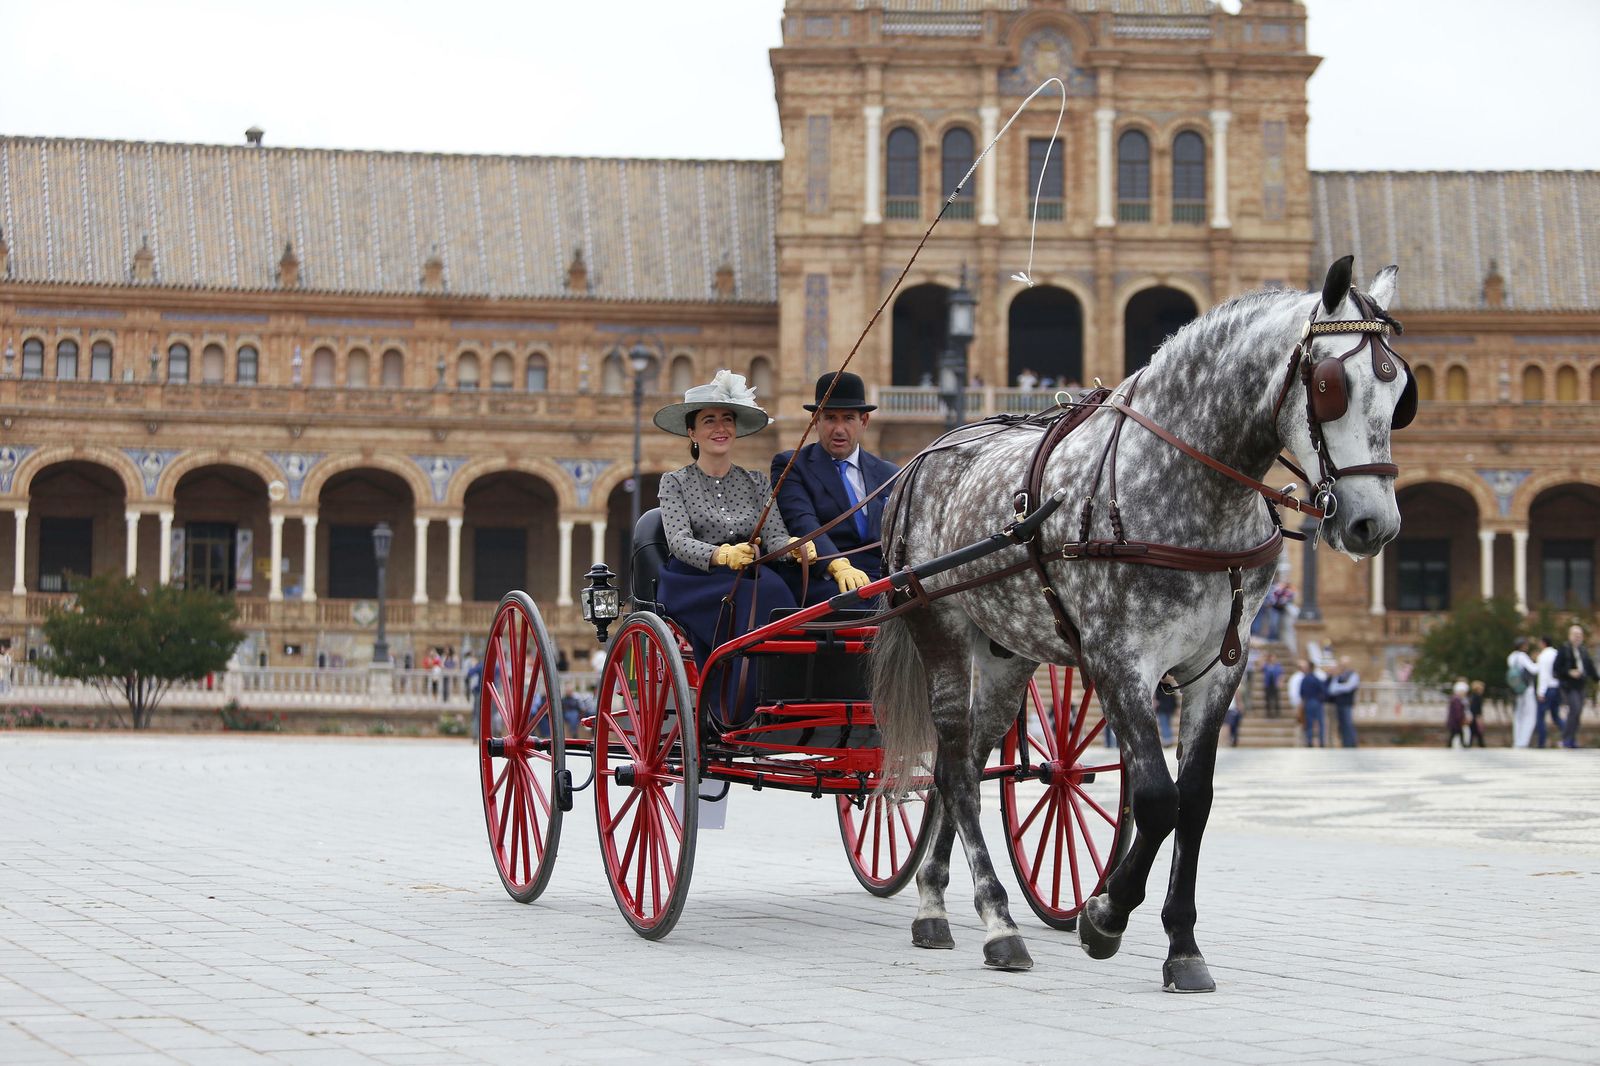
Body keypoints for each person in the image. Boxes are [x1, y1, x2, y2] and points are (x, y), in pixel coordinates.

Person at [654, 370, 813, 720]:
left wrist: (794, 546)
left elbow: (773, 536)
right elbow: (678, 541)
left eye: (727, 419)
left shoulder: (755, 481)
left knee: (778, 595)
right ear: (692, 432)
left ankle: (785, 697)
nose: (720, 427)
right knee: (755, 598)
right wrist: (720, 554)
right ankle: (741, 706)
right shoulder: (674, 482)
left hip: (748, 574)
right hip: (693, 580)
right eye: (709, 420)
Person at [771, 371, 898, 606]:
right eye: (830, 418)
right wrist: (838, 566)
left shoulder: (889, 473)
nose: (839, 429)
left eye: (848, 418)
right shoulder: (792, 466)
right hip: (825, 576)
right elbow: (803, 521)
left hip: (882, 576)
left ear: (864, 421)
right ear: (816, 421)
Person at [1553, 623, 1598, 748]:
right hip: (1569, 685)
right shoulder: (1564, 649)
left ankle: (1571, 739)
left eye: (1580, 635)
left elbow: (1590, 667)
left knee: (1577, 712)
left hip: (1580, 685)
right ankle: (1565, 738)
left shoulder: (1583, 650)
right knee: (1575, 709)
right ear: (1570, 635)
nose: (1578, 637)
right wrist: (1569, 672)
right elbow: (1556, 669)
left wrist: (1597, 679)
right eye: (1575, 634)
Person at [1508, 636, 1540, 748]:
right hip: (1527, 689)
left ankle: (1517, 740)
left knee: (1518, 715)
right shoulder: (1522, 656)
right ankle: (1523, 741)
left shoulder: (1511, 657)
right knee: (1530, 715)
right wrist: (1538, 660)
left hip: (1517, 689)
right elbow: (1534, 670)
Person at [1327, 656, 1360, 748]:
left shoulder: (1353, 675)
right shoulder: (1339, 675)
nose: (1343, 666)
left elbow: (1349, 687)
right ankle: (1345, 743)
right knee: (1342, 724)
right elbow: (1331, 689)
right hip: (1339, 703)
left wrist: (1338, 687)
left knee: (1348, 723)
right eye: (1341, 664)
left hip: (1347, 703)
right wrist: (1340, 687)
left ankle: (1351, 743)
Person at [1299, 658, 1328, 748]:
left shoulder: (1305, 679)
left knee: (1310, 723)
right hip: (1317, 702)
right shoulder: (1317, 679)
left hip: (1310, 702)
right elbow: (1323, 691)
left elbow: (1301, 692)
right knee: (1320, 723)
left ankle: (1310, 741)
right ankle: (1321, 742)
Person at [1154, 677, 1178, 747]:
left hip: (1163, 709)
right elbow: (1173, 699)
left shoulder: (1158, 688)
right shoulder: (1168, 687)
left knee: (1165, 725)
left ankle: (1168, 742)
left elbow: (1172, 699)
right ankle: (1168, 741)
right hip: (1168, 708)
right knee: (1166, 725)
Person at [1446, 680, 1470, 747]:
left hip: (1455, 721)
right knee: (1455, 733)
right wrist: (1461, 719)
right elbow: (1458, 711)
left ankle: (1462, 745)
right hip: (1456, 721)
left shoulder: (1456, 699)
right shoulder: (1456, 699)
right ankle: (1463, 745)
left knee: (1456, 734)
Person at [1261, 652, 1283, 718]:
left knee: (1276, 699)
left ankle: (1277, 713)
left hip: (1275, 684)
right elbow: (1261, 668)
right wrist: (1263, 657)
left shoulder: (1278, 665)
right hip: (1268, 684)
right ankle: (1269, 713)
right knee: (1267, 699)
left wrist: (1280, 682)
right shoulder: (1266, 665)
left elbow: (1281, 674)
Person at [1466, 679, 1487, 747]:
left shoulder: (1472, 696)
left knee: (1474, 732)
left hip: (1473, 716)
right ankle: (1481, 745)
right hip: (1475, 716)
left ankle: (1471, 744)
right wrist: (1479, 716)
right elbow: (1476, 708)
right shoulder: (1477, 697)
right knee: (1477, 731)